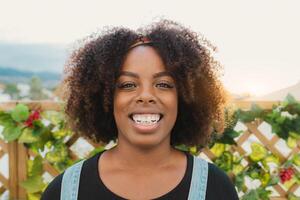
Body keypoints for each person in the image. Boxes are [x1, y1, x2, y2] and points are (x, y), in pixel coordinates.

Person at [42, 19, 239, 200]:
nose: (146, 95)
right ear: (106, 97)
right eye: (128, 85)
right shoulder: (65, 191)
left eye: (163, 84)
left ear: (185, 98)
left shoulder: (215, 188)